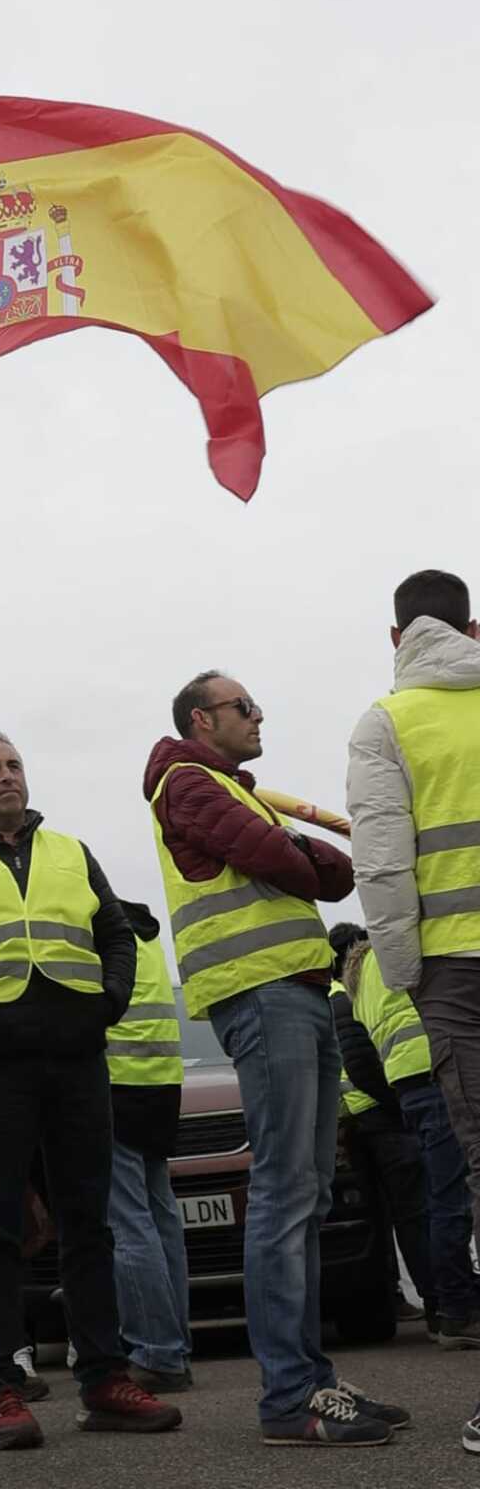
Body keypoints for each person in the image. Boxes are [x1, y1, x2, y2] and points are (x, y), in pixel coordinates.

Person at [145, 673, 407, 1447]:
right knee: (286, 1194)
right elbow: (289, 863)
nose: (259, 716)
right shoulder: (187, 780)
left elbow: (301, 860)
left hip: (295, 992)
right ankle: (291, 1397)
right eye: (244, 707)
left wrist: (304, 856)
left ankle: (314, 1382)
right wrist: (307, 856)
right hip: (262, 995)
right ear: (203, 718)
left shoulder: (228, 786)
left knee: (309, 1192)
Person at [0, 731, 180, 1451]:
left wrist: (110, 1000)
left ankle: (103, 1379)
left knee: (88, 1222)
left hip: (74, 1054)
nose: (6, 777)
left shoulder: (71, 851)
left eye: (14, 765)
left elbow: (116, 933)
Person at [347, 568, 480, 1452]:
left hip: (455, 974)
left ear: (395, 639)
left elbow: (384, 864)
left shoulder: (386, 722)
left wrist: (401, 971)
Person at [338, 925, 480, 1344]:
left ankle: (448, 1302)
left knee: (435, 1197)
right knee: (452, 1194)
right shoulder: (397, 952)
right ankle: (457, 1309)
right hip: (435, 1070)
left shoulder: (357, 982)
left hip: (407, 1086)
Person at [104, 900, 191, 1394]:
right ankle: (175, 1345)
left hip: (116, 1086)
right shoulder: (146, 935)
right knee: (162, 1221)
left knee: (127, 1224)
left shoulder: (101, 934)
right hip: (161, 1086)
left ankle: (156, 1352)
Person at [327, 932, 434, 1332]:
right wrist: (396, 1106)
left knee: (381, 1215)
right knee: (414, 1211)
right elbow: (360, 1062)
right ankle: (436, 1297)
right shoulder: (341, 996)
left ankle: (398, 1296)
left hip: (352, 1121)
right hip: (376, 1115)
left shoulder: (330, 997)